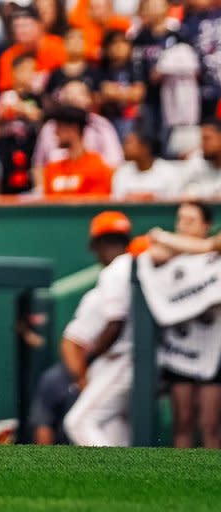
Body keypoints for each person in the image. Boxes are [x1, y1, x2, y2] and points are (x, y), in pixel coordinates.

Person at [147, 201, 221, 449]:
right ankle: (180, 479)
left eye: (191, 221)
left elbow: (215, 245)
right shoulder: (168, 255)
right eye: (180, 220)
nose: (183, 226)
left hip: (213, 346)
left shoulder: (212, 255)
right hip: (180, 346)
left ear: (206, 225)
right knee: (183, 419)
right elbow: (155, 253)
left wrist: (164, 236)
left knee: (210, 423)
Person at [62, 211, 134, 447]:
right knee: (114, 431)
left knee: (78, 422)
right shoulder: (136, 264)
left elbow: (115, 323)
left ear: (98, 244)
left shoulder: (115, 270)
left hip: (122, 359)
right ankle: (126, 480)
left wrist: (91, 358)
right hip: (140, 360)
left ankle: (116, 475)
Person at [41, 105, 114, 197]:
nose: (55, 132)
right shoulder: (52, 169)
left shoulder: (97, 168)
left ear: (73, 129)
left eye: (59, 126)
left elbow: (96, 205)